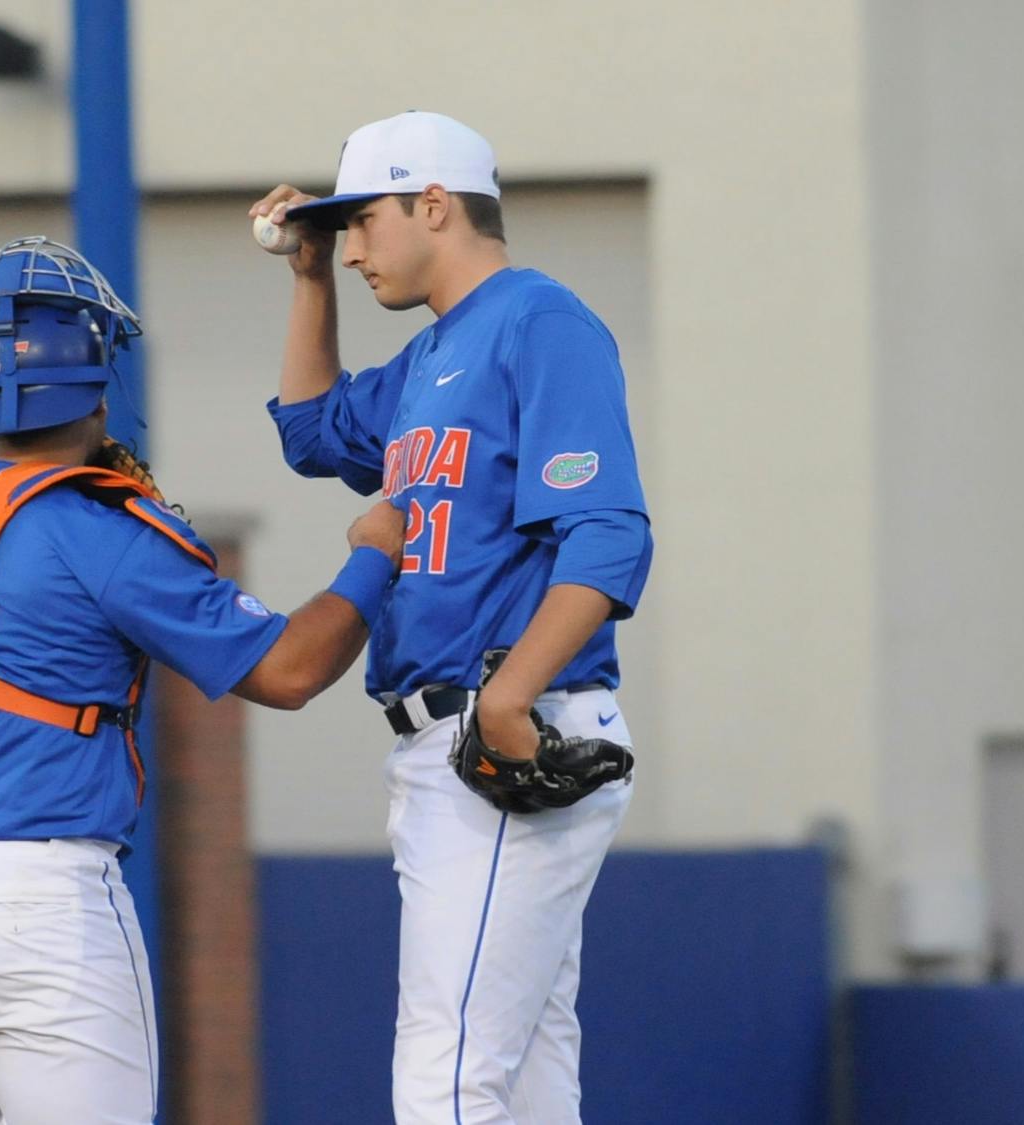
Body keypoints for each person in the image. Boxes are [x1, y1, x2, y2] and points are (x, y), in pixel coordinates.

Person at [0, 236, 404, 1125]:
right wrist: (375, 560)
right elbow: (290, 671)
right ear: (99, 371)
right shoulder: (103, 525)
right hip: (36, 894)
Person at [251, 111, 654, 1123]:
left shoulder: (536, 321)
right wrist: (303, 280)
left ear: (435, 204)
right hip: (454, 736)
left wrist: (512, 698)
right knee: (522, 1076)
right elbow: (308, 432)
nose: (348, 250)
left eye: (361, 222)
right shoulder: (433, 356)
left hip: (506, 725)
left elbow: (606, 535)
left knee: (448, 1073)